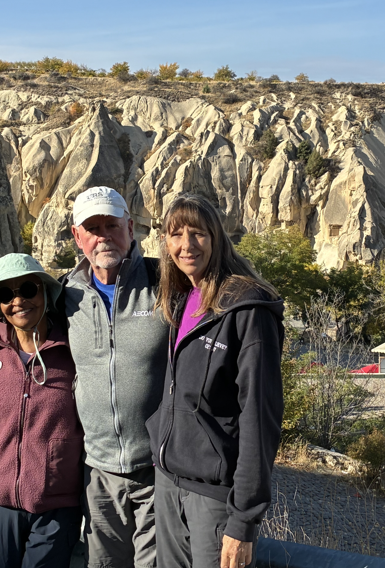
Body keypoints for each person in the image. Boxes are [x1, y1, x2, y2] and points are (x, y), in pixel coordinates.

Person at [147, 193, 284, 568]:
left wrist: (243, 521)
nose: (186, 245)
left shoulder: (247, 309)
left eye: (199, 233)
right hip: (168, 484)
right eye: (176, 234)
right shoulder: (182, 297)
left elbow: (260, 418)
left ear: (217, 238)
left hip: (214, 499)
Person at [63, 186, 169, 568]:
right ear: (77, 236)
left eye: (112, 224)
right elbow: (18, 326)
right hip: (97, 472)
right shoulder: (65, 295)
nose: (103, 235)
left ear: (130, 227)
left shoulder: (166, 283)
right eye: (92, 227)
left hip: (158, 472)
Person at [0, 253, 84, 568]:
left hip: (56, 500)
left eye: (28, 289)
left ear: (45, 292)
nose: (18, 300)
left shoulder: (73, 346)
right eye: (6, 293)